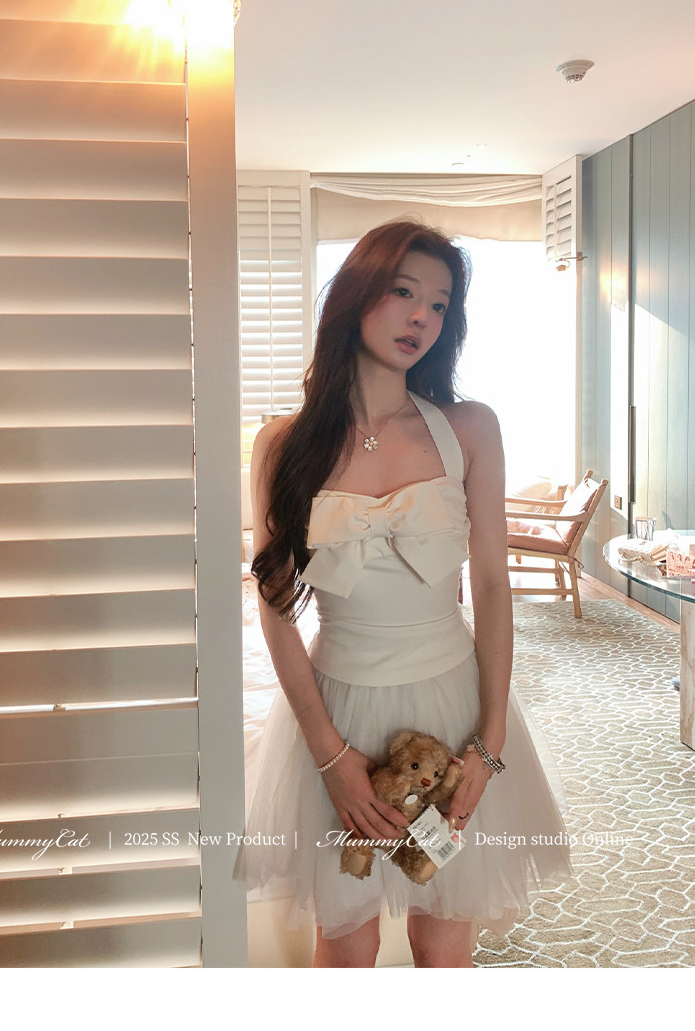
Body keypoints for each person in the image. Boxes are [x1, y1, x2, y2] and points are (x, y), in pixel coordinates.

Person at [236, 220, 571, 968]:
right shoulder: (282, 443)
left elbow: (492, 587)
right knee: (344, 941)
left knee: (444, 935)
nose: (422, 316)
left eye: (440, 305)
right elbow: (276, 607)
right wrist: (330, 757)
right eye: (403, 292)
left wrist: (490, 741)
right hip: (337, 710)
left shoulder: (470, 427)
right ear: (356, 296)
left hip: (453, 704)